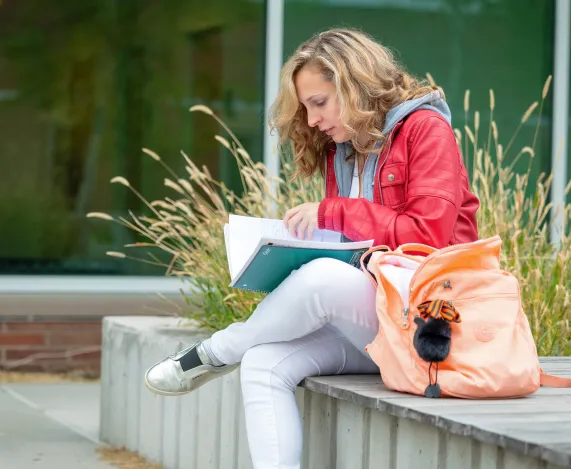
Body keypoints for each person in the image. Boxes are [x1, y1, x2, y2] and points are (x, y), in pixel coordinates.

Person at [144, 28, 479, 469]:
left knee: (321, 280)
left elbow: (428, 236)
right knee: (263, 363)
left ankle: (218, 351)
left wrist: (335, 214)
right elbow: (356, 248)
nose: (313, 119)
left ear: (354, 85)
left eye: (319, 103)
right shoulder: (342, 151)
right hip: (376, 323)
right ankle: (236, 353)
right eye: (305, 108)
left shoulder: (425, 129)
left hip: (430, 324)